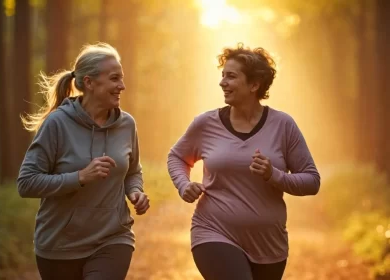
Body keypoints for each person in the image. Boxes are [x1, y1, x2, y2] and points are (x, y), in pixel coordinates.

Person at [167, 43, 320, 280]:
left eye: (231, 76)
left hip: (269, 245)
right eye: (222, 75)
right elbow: (177, 156)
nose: (222, 82)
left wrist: (274, 175)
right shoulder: (206, 124)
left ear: (254, 85)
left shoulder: (283, 125)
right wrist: (183, 184)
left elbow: (312, 181)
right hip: (213, 231)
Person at [17, 42, 150, 280]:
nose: (122, 86)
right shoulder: (57, 124)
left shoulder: (126, 124)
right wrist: (79, 177)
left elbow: (132, 171)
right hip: (59, 245)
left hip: (113, 238)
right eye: (114, 79)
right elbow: (26, 183)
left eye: (121, 78)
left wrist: (136, 191)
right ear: (89, 82)